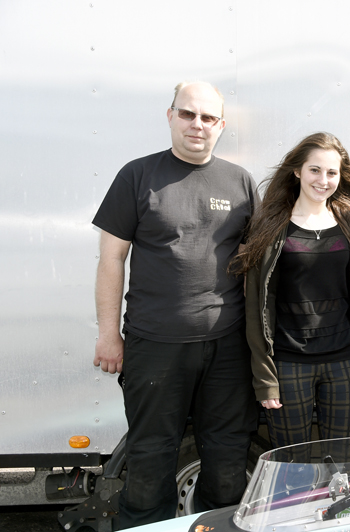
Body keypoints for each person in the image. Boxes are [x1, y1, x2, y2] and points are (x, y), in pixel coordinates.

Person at [92, 81, 258, 528]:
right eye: (187, 114)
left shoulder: (240, 182)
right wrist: (108, 334)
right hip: (154, 345)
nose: (197, 124)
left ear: (221, 125)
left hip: (227, 348)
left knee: (227, 464)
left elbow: (254, 267)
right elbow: (111, 259)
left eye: (208, 117)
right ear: (170, 116)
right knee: (149, 462)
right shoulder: (137, 175)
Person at [232, 132, 350, 463]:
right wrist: (265, 377)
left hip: (343, 362)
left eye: (332, 172)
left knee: (343, 466)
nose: (323, 180)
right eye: (315, 170)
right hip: (289, 365)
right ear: (297, 170)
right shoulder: (271, 224)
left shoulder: (348, 221)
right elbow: (256, 305)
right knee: (292, 467)